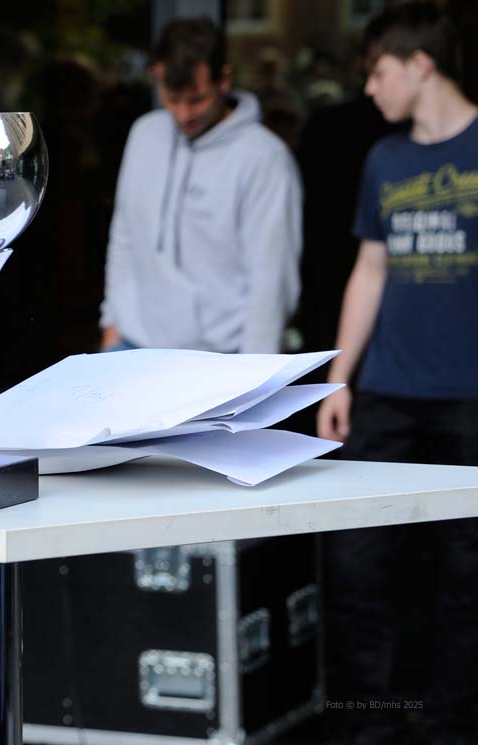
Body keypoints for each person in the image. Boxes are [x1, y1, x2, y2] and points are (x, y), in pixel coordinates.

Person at [316, 4, 478, 744]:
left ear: (421, 64)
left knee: (467, 573)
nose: (369, 88)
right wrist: (340, 378)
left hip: (469, 397)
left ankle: (450, 723)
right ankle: (373, 723)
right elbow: (371, 268)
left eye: (379, 71)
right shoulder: (384, 159)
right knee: (357, 559)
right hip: (387, 391)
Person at [99, 17, 301, 354]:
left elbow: (271, 279)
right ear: (156, 75)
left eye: (196, 99)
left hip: (218, 357)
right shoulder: (144, 134)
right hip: (131, 344)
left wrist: (253, 372)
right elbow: (124, 236)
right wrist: (112, 325)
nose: (183, 114)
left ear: (224, 79)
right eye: (172, 98)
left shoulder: (264, 157)